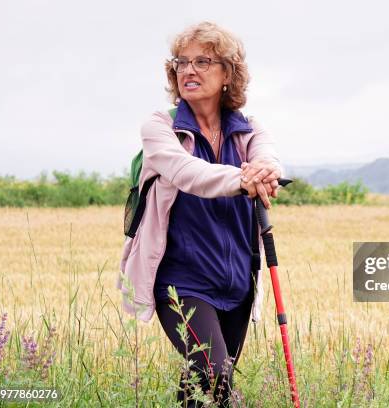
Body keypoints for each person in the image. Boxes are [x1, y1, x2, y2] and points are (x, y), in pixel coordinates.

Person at [117, 21, 282, 407]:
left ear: (228, 73)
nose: (188, 70)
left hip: (238, 282)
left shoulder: (249, 130)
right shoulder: (162, 129)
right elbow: (187, 173)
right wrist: (245, 179)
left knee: (204, 389)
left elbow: (268, 158)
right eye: (182, 62)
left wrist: (265, 171)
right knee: (213, 372)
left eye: (203, 62)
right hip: (182, 280)